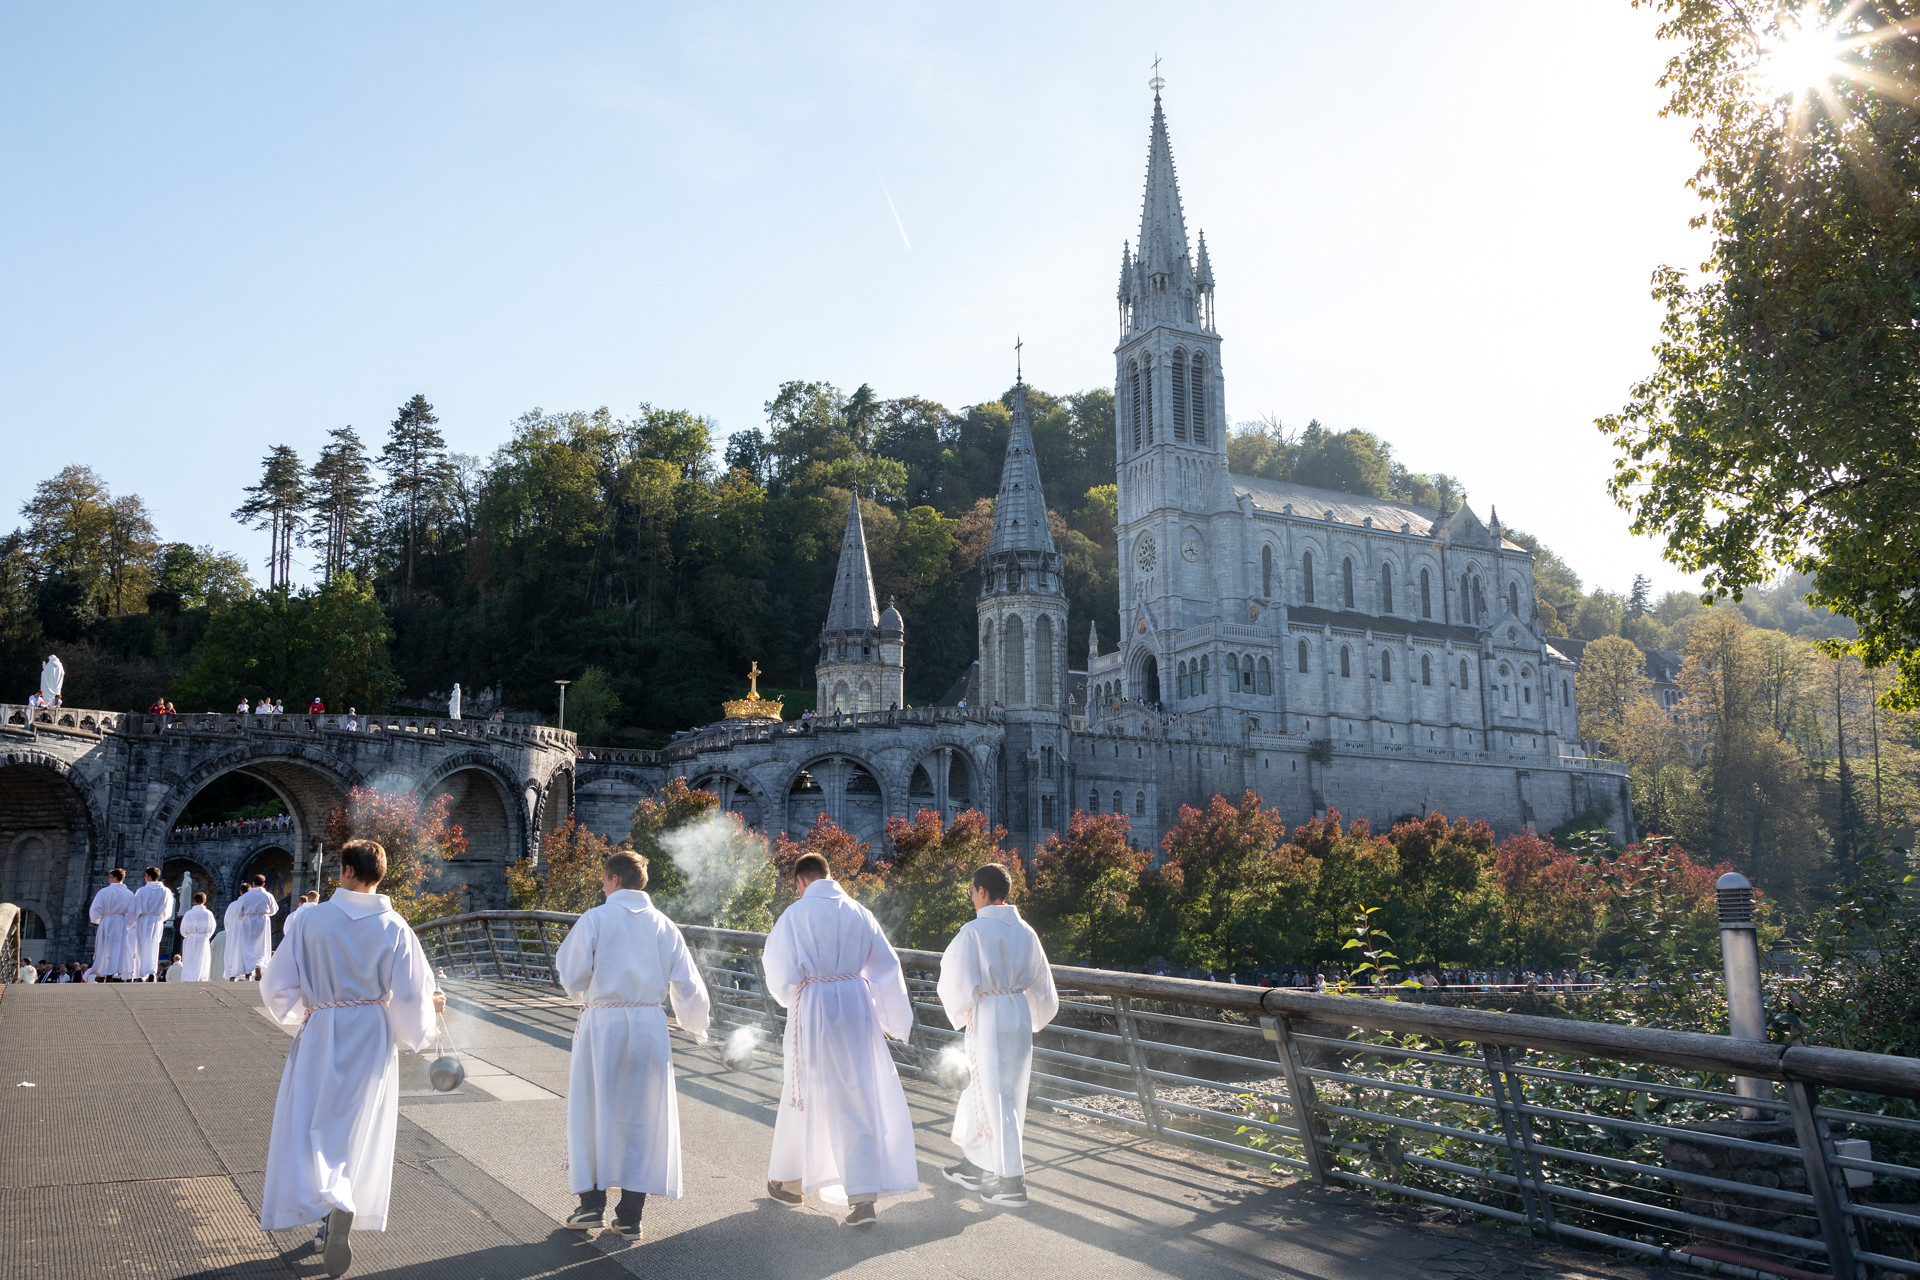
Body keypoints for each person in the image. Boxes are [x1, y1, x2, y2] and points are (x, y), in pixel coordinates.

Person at [259, 838, 444, 1278]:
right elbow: (414, 994)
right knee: (358, 1125)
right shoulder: (395, 926)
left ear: (344, 870)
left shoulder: (309, 920)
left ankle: (328, 1201)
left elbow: (276, 985)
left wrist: (307, 1009)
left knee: (312, 1122)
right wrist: (423, 1028)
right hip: (371, 1032)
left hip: (323, 1026)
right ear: (379, 877)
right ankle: (342, 1202)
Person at [555, 849, 712, 1240]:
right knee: (640, 1119)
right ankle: (629, 1216)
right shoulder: (664, 925)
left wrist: (584, 994)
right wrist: (696, 1027)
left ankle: (590, 1206)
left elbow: (571, 973)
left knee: (594, 1111)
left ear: (614, 881)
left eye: (603, 880)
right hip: (648, 1026)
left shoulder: (595, 919)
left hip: (603, 1025)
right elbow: (690, 985)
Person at [760, 853, 917, 1227]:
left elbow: (778, 973)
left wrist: (795, 996)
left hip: (813, 1005)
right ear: (829, 876)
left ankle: (791, 1181)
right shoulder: (859, 912)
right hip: (855, 1006)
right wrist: (895, 1021)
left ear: (800, 881)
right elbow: (886, 968)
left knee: (803, 1091)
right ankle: (862, 1198)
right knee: (855, 1094)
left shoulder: (795, 916)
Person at [936, 864, 1059, 1209]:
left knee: (997, 1096)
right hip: (1017, 1012)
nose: (972, 897)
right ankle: (976, 1165)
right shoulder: (1026, 931)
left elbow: (954, 981)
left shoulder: (973, 932)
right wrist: (1034, 1016)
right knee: (990, 1090)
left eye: (972, 891)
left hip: (988, 1014)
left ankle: (1011, 1182)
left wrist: (962, 1011)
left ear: (983, 892)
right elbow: (1043, 985)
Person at [88, 868, 137, 981]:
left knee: (103, 946)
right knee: (116, 948)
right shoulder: (129, 893)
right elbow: (131, 912)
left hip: (106, 920)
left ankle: (102, 973)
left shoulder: (104, 892)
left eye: (110, 878)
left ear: (114, 878)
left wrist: (98, 919)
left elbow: (96, 908)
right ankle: (110, 972)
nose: (109, 880)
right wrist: (127, 924)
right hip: (120, 921)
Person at [130, 867, 176, 981]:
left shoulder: (141, 891)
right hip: (157, 920)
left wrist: (131, 922)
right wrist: (161, 917)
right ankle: (151, 971)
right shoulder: (165, 891)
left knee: (141, 946)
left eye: (145, 876)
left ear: (149, 876)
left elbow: (135, 908)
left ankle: (141, 973)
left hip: (143, 919)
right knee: (154, 945)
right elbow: (168, 909)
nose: (145, 878)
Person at [234, 875, 279, 978]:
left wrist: (242, 917)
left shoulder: (246, 896)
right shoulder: (268, 895)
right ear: (263, 884)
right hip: (263, 921)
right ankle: (259, 965)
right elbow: (274, 910)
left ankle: (249, 969)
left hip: (248, 921)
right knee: (261, 945)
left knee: (247, 945)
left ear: (253, 883)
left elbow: (237, 912)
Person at [179, 891, 217, 981]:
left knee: (190, 958)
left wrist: (188, 935)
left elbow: (183, 929)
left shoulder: (189, 913)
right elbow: (212, 927)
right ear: (205, 901)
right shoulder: (208, 914)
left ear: (194, 901)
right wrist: (206, 935)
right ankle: (201, 976)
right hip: (203, 938)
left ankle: (188, 977)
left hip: (191, 937)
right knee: (202, 958)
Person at [221, 891, 246, 980]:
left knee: (232, 951)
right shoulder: (250, 904)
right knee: (244, 951)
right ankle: (244, 973)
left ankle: (232, 973)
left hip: (233, 932)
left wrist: (229, 930)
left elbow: (226, 921)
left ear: (240, 892)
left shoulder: (232, 905)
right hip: (246, 931)